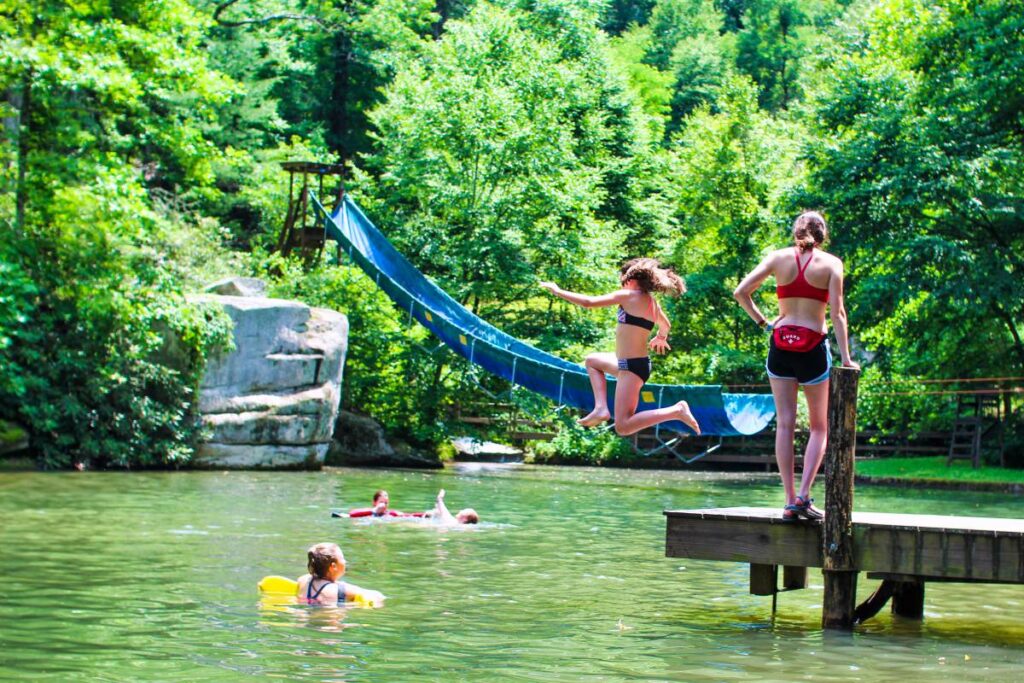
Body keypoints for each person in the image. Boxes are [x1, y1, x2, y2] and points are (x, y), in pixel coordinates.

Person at [732, 211, 860, 521]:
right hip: (813, 349)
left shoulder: (778, 259)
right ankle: (803, 496)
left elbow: (740, 292)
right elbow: (838, 314)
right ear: (823, 234)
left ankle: (789, 500)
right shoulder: (832, 264)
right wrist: (845, 358)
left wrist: (764, 323)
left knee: (785, 424)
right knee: (819, 427)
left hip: (780, 346)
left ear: (795, 232)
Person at [539, 258, 700, 436]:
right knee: (592, 361)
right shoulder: (652, 303)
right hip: (629, 364)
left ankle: (676, 410)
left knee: (623, 426)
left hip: (631, 368)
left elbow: (588, 302)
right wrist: (661, 337)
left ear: (629, 280)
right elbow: (666, 324)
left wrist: (558, 291)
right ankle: (601, 408)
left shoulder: (629, 296)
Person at [295, 542, 381, 606]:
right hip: (331, 624)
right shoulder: (342, 590)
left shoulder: (303, 580)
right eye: (342, 558)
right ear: (333, 566)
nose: (345, 561)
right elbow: (377, 596)